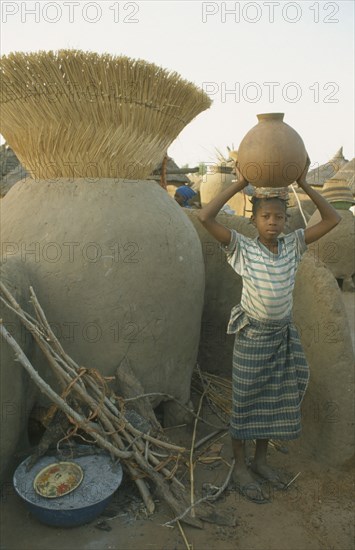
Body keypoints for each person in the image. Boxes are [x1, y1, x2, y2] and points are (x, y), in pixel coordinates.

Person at [197, 158, 341, 504]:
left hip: (281, 339)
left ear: (287, 220)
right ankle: (242, 465)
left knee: (272, 402)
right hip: (252, 337)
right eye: (265, 216)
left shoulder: (294, 246)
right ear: (254, 219)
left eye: (279, 216)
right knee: (245, 402)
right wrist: (239, 183)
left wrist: (305, 183)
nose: (273, 222)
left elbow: (333, 218)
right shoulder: (242, 248)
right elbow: (205, 217)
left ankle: (261, 462)